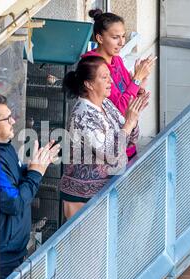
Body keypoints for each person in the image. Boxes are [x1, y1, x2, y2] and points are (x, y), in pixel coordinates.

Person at [59, 56, 149, 219]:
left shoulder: (106, 104)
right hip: (83, 200)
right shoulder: (83, 115)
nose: (111, 82)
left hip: (105, 193)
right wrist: (128, 123)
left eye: (110, 76)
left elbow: (130, 140)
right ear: (89, 84)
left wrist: (133, 119)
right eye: (104, 77)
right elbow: (111, 154)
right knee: (87, 245)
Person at [0, 94, 60, 279]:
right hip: (4, 258)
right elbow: (14, 202)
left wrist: (35, 166)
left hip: (16, 251)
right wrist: (35, 174)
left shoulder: (6, 147)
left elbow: (15, 179)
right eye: (7, 118)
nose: (13, 121)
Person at [83, 8, 156, 159]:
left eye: (123, 36)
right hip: (107, 148)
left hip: (127, 141)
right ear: (100, 38)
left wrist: (140, 84)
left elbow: (131, 97)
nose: (122, 42)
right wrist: (136, 79)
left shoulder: (116, 59)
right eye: (115, 37)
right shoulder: (93, 65)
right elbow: (121, 109)